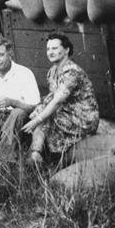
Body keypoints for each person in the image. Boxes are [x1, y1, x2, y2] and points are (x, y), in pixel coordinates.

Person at [22, 33, 99, 165]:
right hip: (65, 112)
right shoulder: (52, 72)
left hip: (82, 117)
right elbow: (52, 98)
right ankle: (36, 154)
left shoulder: (72, 71)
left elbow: (57, 101)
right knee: (41, 109)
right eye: (48, 49)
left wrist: (37, 120)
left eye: (55, 48)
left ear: (66, 50)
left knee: (45, 115)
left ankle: (39, 155)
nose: (50, 52)